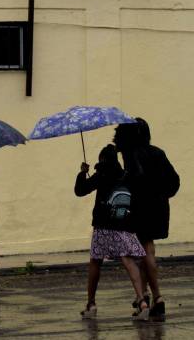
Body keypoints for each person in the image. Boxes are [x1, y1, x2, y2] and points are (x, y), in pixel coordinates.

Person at [114, 118, 180, 321]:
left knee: (145, 252)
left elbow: (129, 183)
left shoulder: (130, 154)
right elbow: (174, 181)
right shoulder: (157, 152)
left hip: (140, 208)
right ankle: (146, 296)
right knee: (147, 251)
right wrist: (161, 195)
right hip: (158, 207)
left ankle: (156, 296)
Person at [74, 144, 149, 320]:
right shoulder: (124, 175)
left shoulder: (101, 175)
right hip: (123, 223)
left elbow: (80, 191)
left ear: (102, 160)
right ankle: (142, 301)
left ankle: (91, 304)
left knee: (95, 262)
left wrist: (82, 173)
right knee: (128, 261)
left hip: (102, 226)